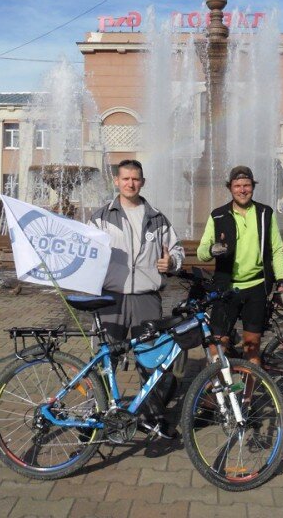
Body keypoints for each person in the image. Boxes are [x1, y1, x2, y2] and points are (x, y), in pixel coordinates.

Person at [89, 159, 185, 439]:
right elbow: (86, 253)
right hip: (110, 299)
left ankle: (152, 416)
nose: (131, 183)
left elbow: (177, 250)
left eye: (136, 179)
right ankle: (101, 416)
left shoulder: (157, 218)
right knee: (107, 360)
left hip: (146, 297)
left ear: (143, 182)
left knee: (151, 359)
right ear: (116, 182)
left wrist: (173, 263)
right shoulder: (100, 218)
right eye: (126, 179)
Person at [197, 165, 283, 365]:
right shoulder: (218, 215)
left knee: (251, 345)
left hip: (256, 287)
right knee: (217, 344)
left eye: (246, 185)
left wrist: (282, 281)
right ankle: (217, 391)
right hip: (226, 288)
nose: (242, 190)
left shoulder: (265, 213)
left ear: (252, 187)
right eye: (237, 185)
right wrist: (212, 250)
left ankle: (248, 396)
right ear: (230, 188)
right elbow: (201, 252)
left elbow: (277, 250)